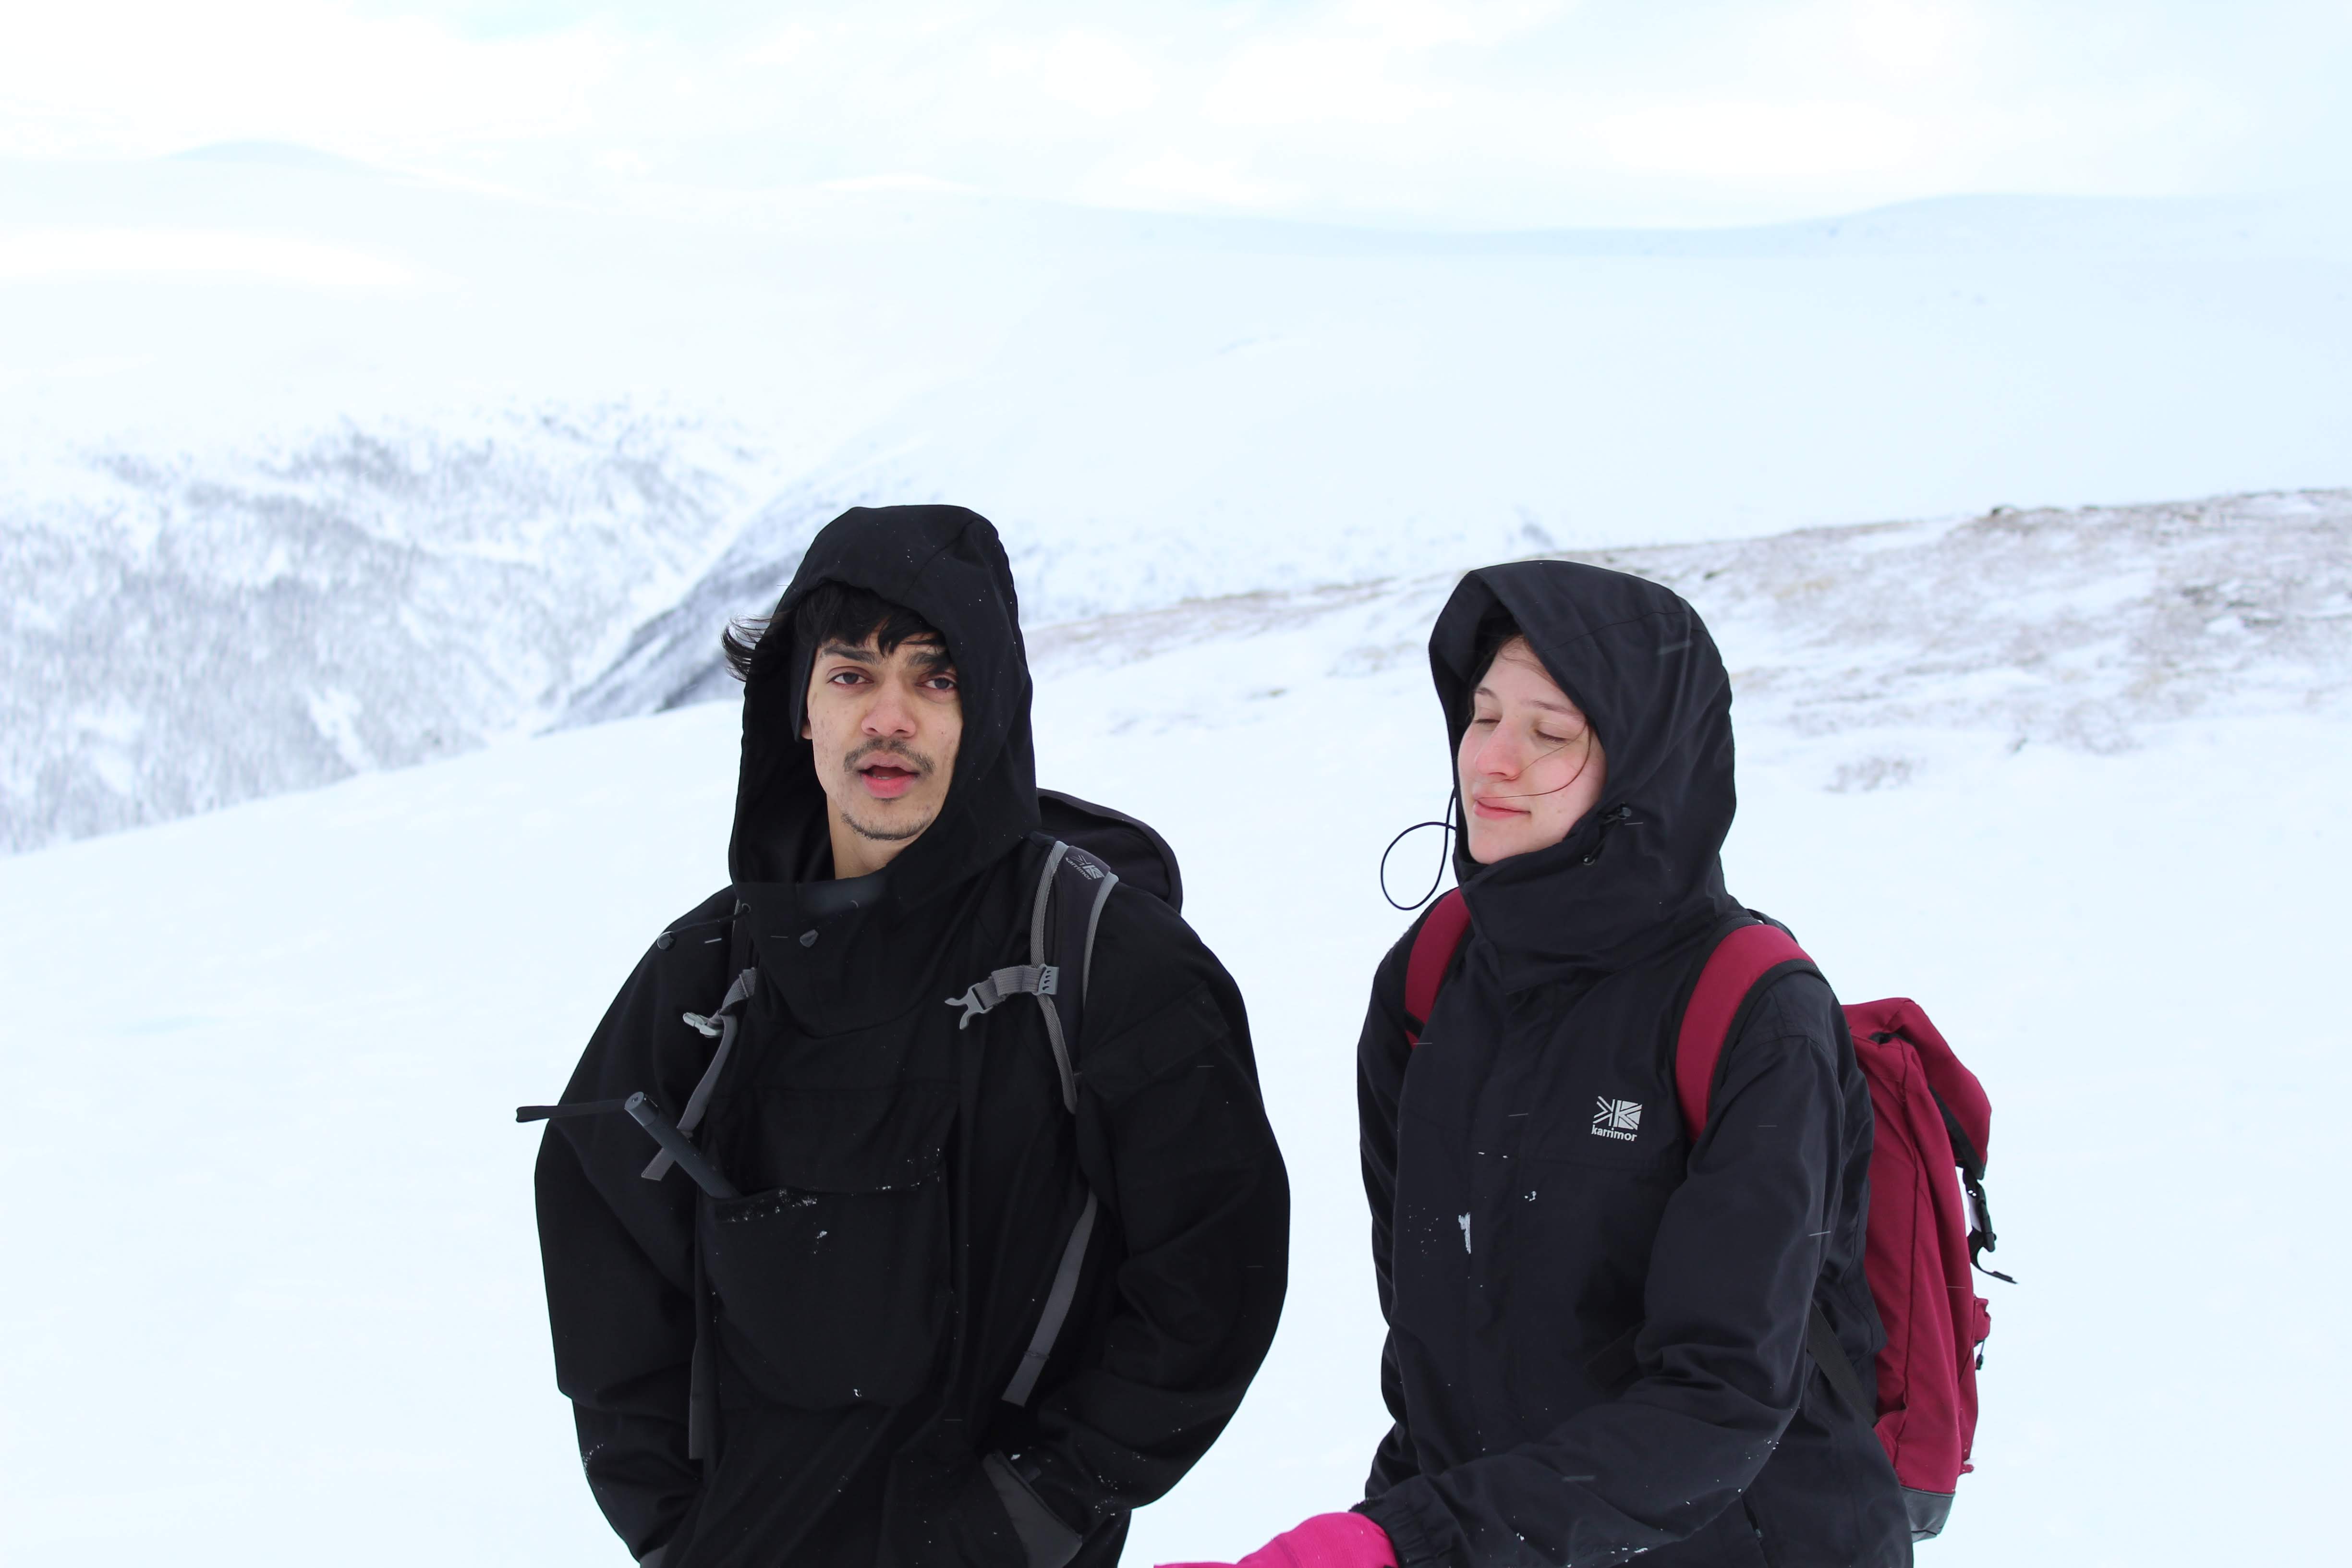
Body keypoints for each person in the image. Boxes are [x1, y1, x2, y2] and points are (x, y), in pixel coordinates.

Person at [534, 504, 1290, 1568]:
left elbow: (1213, 1272)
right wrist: (676, 1526)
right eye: (851, 675)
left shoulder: (1105, 961)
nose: (889, 717)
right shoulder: (707, 976)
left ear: (989, 708)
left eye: (935, 678)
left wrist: (1036, 1509)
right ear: (798, 707)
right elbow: (602, 1242)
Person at [1172, 561, 1907, 1568]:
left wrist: (1411, 1544)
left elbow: (1721, 1401)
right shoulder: (1431, 980)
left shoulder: (1750, 1011)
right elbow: (1436, 1344)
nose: (1493, 761)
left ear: (1645, 764)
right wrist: (1383, 1530)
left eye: (1550, 732)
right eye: (1481, 717)